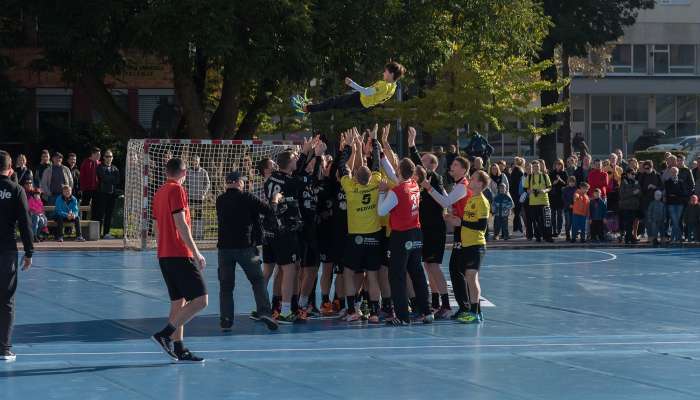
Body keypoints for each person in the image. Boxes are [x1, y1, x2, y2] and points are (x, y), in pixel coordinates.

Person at [150, 157, 208, 363]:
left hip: (164, 254)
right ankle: (165, 334)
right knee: (201, 300)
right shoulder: (177, 190)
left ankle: (179, 347)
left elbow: (156, 227)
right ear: (184, 174)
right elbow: (181, 224)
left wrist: (162, 248)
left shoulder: (158, 193)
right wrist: (196, 252)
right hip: (179, 253)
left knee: (178, 303)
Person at [263, 138, 322, 323]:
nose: (297, 162)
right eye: (295, 160)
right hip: (285, 229)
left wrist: (306, 153)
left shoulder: (270, 179)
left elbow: (298, 174)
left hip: (276, 230)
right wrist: (310, 154)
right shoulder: (289, 181)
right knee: (289, 270)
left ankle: (282, 305)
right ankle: (286, 309)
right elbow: (303, 177)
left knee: (286, 269)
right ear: (289, 165)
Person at [216, 171, 279, 331]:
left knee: (226, 286)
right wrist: (275, 200)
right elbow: (269, 211)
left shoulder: (220, 200)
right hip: (246, 247)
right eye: (242, 181)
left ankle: (226, 319)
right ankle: (264, 311)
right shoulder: (247, 197)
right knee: (257, 281)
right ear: (238, 182)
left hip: (224, 249)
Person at [378, 158, 433, 326]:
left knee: (397, 275)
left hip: (401, 235)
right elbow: (396, 177)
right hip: (416, 233)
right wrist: (382, 156)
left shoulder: (397, 191)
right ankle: (427, 311)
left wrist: (381, 193)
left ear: (400, 171)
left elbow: (381, 211)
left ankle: (402, 316)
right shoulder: (414, 185)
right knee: (417, 272)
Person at [338, 129, 384, 323]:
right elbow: (377, 164)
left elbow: (342, 166)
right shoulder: (376, 182)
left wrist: (349, 146)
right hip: (374, 236)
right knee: (372, 276)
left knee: (348, 273)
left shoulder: (350, 186)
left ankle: (352, 310)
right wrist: (374, 140)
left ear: (356, 177)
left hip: (355, 237)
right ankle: (374, 312)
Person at [409, 127, 451, 319]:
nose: (420, 166)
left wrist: (411, 145)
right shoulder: (421, 181)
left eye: (424, 162)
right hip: (424, 228)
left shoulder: (436, 179)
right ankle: (434, 301)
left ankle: (446, 303)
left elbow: (443, 198)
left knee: (433, 266)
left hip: (435, 229)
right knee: (427, 265)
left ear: (432, 165)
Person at [443, 170, 491, 323]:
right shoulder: (471, 199)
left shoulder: (482, 201)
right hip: (467, 244)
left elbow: (481, 225)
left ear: (480, 184)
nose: (470, 180)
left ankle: (475, 312)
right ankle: (476, 311)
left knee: (471, 277)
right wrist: (454, 218)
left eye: (474, 178)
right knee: (469, 277)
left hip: (476, 244)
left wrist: (461, 222)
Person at [0, 150, 33, 363]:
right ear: (11, 168)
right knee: (6, 300)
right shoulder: (17, 189)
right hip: (7, 251)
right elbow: (25, 223)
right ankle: (3, 349)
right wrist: (29, 252)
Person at [293, 62, 405, 115]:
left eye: (385, 71)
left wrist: (352, 83)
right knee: (335, 103)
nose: (383, 73)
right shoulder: (393, 87)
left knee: (333, 101)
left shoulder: (383, 85)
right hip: (362, 103)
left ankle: (308, 108)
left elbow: (367, 91)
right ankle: (310, 108)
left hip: (359, 99)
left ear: (391, 74)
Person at [524, 161, 553, 242]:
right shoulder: (529, 177)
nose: (536, 168)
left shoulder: (545, 175)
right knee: (535, 221)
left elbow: (550, 187)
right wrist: (529, 191)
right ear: (532, 168)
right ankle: (538, 236)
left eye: (537, 166)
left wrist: (544, 190)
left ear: (540, 167)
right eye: (534, 167)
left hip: (544, 201)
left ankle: (548, 236)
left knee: (547, 220)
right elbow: (526, 189)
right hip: (533, 202)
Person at [185, 155, 211, 240]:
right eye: (193, 160)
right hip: (190, 197)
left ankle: (198, 235)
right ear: (191, 161)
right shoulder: (187, 171)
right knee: (188, 216)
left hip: (199, 198)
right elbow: (184, 182)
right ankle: (189, 235)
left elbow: (207, 183)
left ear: (199, 162)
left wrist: (203, 193)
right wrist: (186, 191)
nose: (195, 162)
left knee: (198, 216)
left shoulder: (203, 172)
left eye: (196, 161)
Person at [96, 150, 120, 239]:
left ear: (112, 158)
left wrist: (109, 178)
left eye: (110, 156)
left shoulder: (115, 168)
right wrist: (111, 178)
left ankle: (106, 233)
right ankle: (98, 233)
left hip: (112, 194)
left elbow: (117, 180)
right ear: (104, 157)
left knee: (109, 214)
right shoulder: (100, 167)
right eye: (107, 156)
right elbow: (103, 178)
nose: (108, 158)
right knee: (101, 214)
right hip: (102, 194)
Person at [664, 167, 688, 243]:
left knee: (676, 221)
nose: (673, 173)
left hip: (680, 204)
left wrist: (675, 194)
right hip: (671, 204)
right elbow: (668, 193)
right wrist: (677, 193)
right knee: (675, 220)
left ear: (677, 173)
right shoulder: (667, 182)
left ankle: (673, 238)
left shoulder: (681, 181)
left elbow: (683, 192)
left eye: (675, 172)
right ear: (670, 173)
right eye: (672, 172)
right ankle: (679, 237)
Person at [618, 168, 641, 244]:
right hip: (626, 206)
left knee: (632, 223)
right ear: (627, 174)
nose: (633, 175)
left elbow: (640, 193)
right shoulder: (623, 182)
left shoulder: (637, 182)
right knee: (628, 223)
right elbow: (622, 195)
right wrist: (633, 193)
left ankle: (629, 237)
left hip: (634, 206)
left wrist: (634, 193)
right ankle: (628, 237)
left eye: (634, 174)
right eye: (632, 174)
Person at [549, 159, 568, 237]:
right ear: (555, 165)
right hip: (553, 196)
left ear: (562, 165)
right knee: (553, 215)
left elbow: (566, 183)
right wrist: (554, 182)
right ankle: (554, 230)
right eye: (557, 164)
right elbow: (549, 183)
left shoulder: (564, 173)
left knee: (560, 214)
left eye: (560, 164)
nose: (558, 165)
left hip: (561, 196)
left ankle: (559, 230)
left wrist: (560, 180)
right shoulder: (552, 173)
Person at [79, 147, 101, 213]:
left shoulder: (99, 163)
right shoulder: (85, 162)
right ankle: (83, 221)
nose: (99, 156)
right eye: (97, 154)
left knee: (96, 207)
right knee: (84, 207)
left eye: (99, 154)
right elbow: (82, 176)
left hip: (97, 190)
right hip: (87, 189)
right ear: (92, 154)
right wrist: (82, 188)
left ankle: (94, 222)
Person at [509, 157, 525, 233]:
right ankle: (518, 228)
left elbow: (512, 183)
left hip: (515, 194)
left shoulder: (516, 170)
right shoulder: (520, 170)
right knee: (518, 212)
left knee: (517, 212)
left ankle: (517, 228)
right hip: (518, 193)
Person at [562, 176, 577, 241]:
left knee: (574, 223)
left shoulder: (577, 189)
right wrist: (569, 205)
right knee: (568, 223)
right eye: (570, 182)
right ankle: (568, 236)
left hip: (575, 209)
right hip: (567, 209)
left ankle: (574, 235)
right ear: (568, 182)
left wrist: (575, 205)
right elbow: (564, 199)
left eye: (573, 182)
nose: (571, 183)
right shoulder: (565, 189)